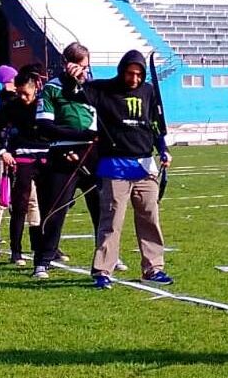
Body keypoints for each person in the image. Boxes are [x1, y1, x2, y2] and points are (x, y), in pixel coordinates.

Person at [63, 50, 172, 289]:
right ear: (122, 70)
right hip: (115, 167)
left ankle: (153, 268)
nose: (134, 79)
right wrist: (72, 78)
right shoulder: (103, 89)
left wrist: (163, 149)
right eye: (130, 73)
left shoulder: (148, 91)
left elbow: (155, 124)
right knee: (111, 221)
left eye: (139, 74)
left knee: (150, 218)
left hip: (145, 166)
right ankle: (103, 270)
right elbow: (73, 95)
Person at [35, 42, 109, 279]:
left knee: (101, 208)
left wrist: (83, 83)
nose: (82, 71)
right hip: (62, 152)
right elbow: (45, 126)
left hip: (93, 153)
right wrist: (81, 135)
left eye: (85, 67)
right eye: (78, 65)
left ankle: (107, 256)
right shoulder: (52, 88)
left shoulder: (92, 87)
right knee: (56, 209)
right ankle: (43, 260)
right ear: (66, 64)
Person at [0, 66, 47, 267]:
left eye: (25, 93)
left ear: (35, 87)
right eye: (18, 93)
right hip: (19, 158)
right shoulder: (11, 106)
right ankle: (12, 249)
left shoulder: (45, 104)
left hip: (44, 159)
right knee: (14, 204)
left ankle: (41, 248)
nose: (22, 97)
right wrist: (3, 151)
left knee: (40, 203)